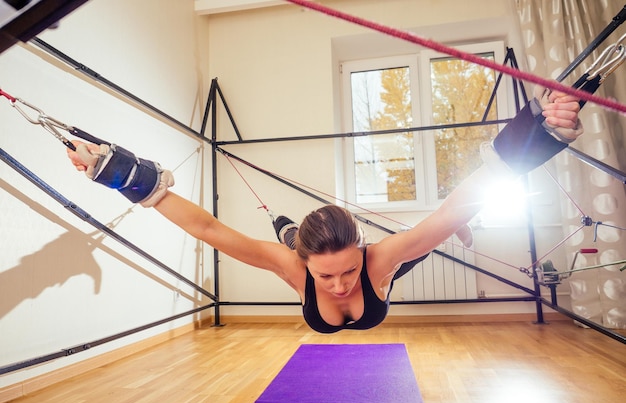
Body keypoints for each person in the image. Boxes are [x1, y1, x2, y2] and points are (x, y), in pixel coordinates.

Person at [67, 88, 582, 333]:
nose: (337, 287)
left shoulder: (377, 259)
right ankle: (292, 231)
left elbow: (452, 205)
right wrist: (121, 174)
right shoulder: (295, 264)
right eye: (327, 276)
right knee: (289, 237)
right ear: (306, 269)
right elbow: (208, 227)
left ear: (360, 252)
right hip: (300, 247)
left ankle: (446, 235)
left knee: (429, 237)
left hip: (389, 258)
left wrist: (539, 132)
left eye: (346, 272)